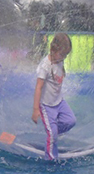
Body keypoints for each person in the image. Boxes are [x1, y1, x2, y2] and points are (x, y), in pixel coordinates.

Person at [32, 32, 76, 160]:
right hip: (46, 106)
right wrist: (35, 109)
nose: (64, 58)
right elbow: (38, 87)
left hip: (59, 102)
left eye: (66, 55)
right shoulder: (45, 66)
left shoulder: (59, 60)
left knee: (71, 121)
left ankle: (53, 134)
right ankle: (51, 160)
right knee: (52, 135)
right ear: (53, 49)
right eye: (62, 54)